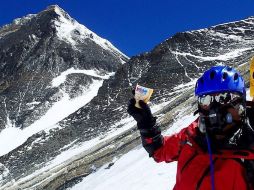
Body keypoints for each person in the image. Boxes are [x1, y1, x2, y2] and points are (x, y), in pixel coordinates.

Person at [127, 65, 254, 190]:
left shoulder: (249, 155)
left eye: (225, 98)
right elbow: (159, 150)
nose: (214, 109)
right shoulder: (192, 135)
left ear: (241, 103)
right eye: (206, 100)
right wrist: (146, 124)